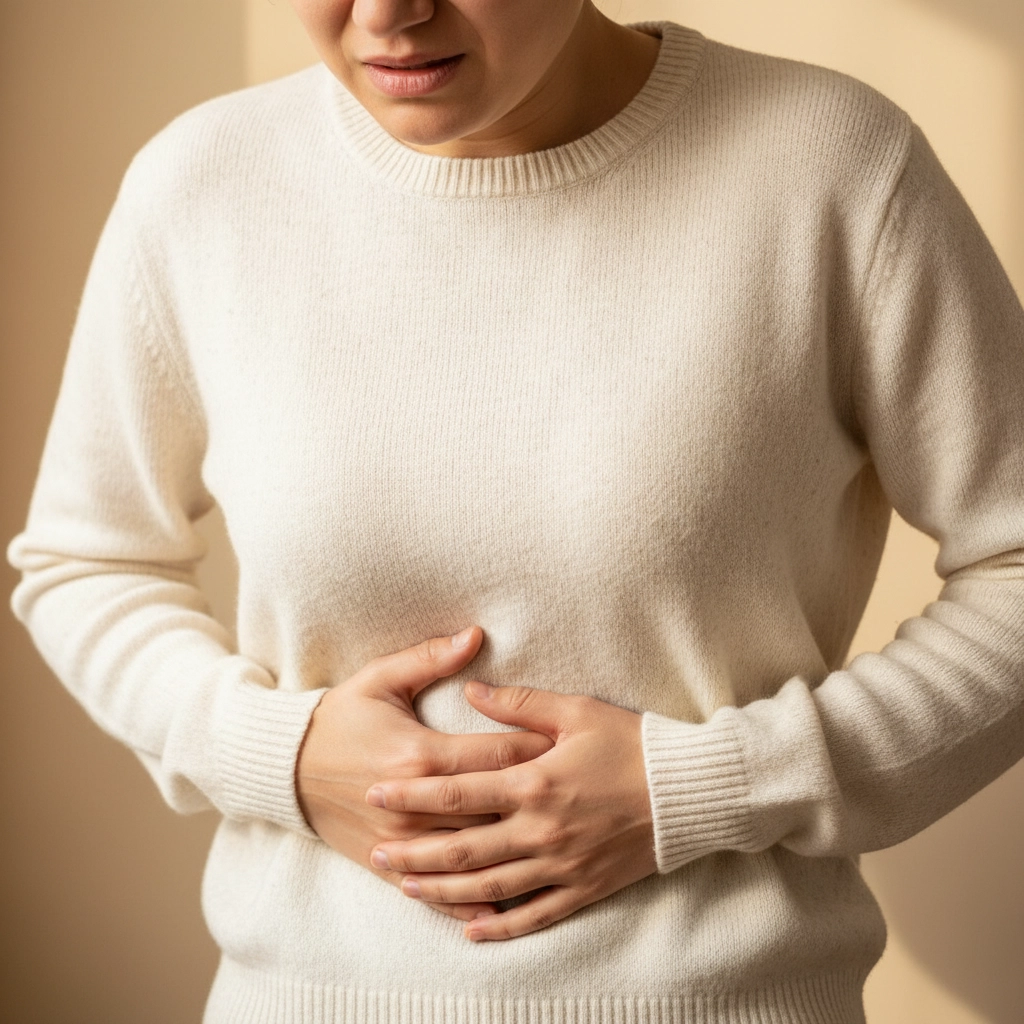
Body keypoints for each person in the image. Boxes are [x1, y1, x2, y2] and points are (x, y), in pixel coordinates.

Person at [7, 1, 1024, 1021]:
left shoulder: (831, 165)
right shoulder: (206, 184)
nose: (388, 14)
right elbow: (86, 563)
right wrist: (280, 754)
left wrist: (708, 786)